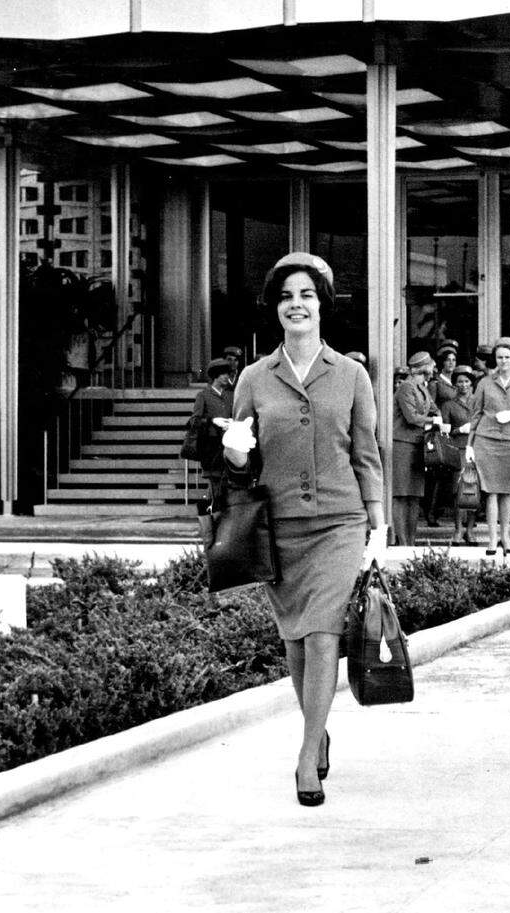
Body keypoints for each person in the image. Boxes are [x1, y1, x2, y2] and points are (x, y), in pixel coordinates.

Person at [221, 252, 385, 809]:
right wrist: (236, 452)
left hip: (340, 523)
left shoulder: (352, 374)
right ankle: (319, 729)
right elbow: (240, 463)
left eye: (307, 295)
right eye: (287, 296)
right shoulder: (253, 378)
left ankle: (305, 754)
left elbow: (367, 454)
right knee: (294, 640)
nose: (297, 304)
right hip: (280, 526)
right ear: (276, 308)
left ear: (323, 307)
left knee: (322, 634)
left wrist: (379, 523)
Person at [464, 336, 510, 555]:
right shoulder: (484, 383)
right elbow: (475, 414)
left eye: (507, 357)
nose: (503, 361)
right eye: (499, 358)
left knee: (507, 492)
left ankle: (506, 536)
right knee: (491, 492)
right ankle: (492, 539)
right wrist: (469, 445)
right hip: (486, 441)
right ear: (494, 360)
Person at [392, 350, 442, 546]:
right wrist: (434, 420)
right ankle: (403, 541)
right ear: (424, 367)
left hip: (417, 445)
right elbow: (412, 417)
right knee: (402, 495)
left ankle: (411, 541)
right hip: (403, 445)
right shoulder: (407, 387)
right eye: (431, 365)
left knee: (414, 496)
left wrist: (436, 414)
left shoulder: (422, 387)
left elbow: (433, 407)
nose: (433, 368)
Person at [441, 364, 479, 545]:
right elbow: (445, 431)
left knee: (474, 490)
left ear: (471, 384)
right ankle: (458, 529)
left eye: (466, 381)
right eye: (459, 382)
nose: (463, 385)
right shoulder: (448, 405)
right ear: (455, 385)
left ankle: (470, 530)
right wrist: (459, 430)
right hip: (459, 449)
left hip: (477, 448)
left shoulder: (478, 402)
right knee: (459, 491)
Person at [190, 357, 235, 508]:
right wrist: (212, 421)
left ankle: (217, 515)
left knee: (225, 484)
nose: (227, 377)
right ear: (215, 375)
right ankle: (215, 517)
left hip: (229, 444)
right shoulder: (203, 395)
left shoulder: (230, 396)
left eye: (228, 374)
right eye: (223, 374)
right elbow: (194, 421)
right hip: (211, 446)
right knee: (216, 483)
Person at [423, 342, 460, 525]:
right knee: (438, 473)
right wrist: (438, 417)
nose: (451, 363)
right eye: (447, 360)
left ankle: (447, 511)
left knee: (450, 474)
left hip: (456, 431)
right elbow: (430, 404)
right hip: (440, 431)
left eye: (454, 360)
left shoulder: (457, 382)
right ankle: (430, 512)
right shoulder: (436, 383)